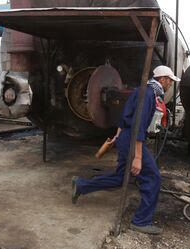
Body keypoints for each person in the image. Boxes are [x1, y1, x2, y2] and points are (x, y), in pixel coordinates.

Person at [71, 65, 180, 235]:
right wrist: (137, 156)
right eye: (170, 81)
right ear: (163, 79)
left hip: (125, 137)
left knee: (121, 177)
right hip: (132, 139)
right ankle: (141, 221)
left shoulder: (141, 90)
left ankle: (81, 185)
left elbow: (125, 115)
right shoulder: (149, 95)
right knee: (152, 177)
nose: (170, 85)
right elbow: (139, 125)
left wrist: (118, 135)